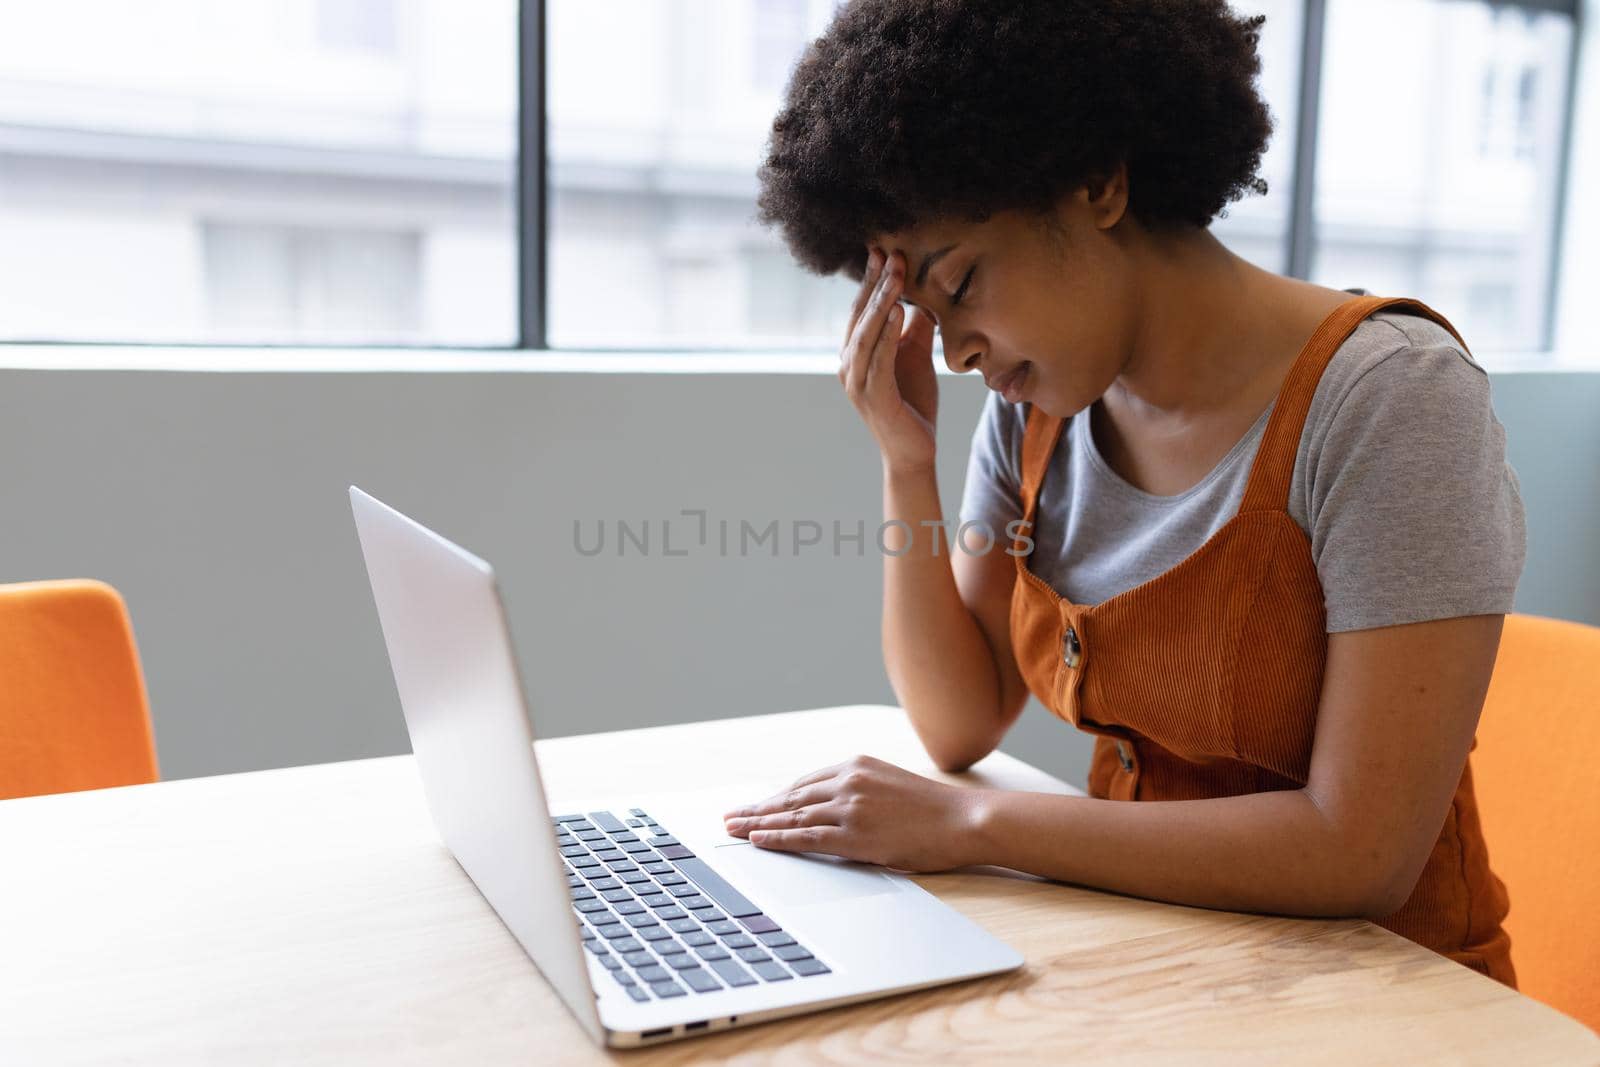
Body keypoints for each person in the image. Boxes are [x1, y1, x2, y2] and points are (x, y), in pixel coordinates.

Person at [721, 0, 1527, 988]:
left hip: (1395, 996)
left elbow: (1359, 848)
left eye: (960, 282)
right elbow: (959, 718)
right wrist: (904, 460)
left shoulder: (1390, 398)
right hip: (1157, 957)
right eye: (923, 314)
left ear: (1097, 184)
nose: (957, 350)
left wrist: (974, 823)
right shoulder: (1044, 404)